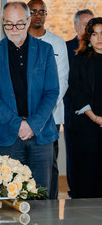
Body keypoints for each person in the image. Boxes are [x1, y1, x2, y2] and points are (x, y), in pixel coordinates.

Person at [0, 1, 59, 197]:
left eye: (19, 23)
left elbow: (52, 92)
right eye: (9, 24)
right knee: (11, 197)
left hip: (40, 134)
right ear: (3, 23)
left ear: (27, 22)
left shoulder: (45, 50)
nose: (14, 29)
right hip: (7, 134)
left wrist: (32, 124)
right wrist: (17, 124)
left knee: (41, 195)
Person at [27, 0, 69, 199]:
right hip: (23, 118)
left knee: (49, 163)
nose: (37, 15)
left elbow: (62, 80)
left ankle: (50, 205)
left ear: (46, 15)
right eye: (33, 11)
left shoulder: (57, 43)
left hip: (51, 116)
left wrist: (43, 111)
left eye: (41, 11)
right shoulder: (18, 41)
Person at [68, 17, 102, 198]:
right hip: (86, 125)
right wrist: (95, 118)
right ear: (88, 38)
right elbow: (76, 90)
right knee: (87, 174)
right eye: (94, 34)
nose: (99, 38)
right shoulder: (80, 59)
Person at [64, 9, 94, 198]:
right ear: (76, 27)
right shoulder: (66, 48)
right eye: (85, 24)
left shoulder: (97, 49)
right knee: (75, 156)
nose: (89, 29)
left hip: (96, 116)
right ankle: (75, 191)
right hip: (73, 113)